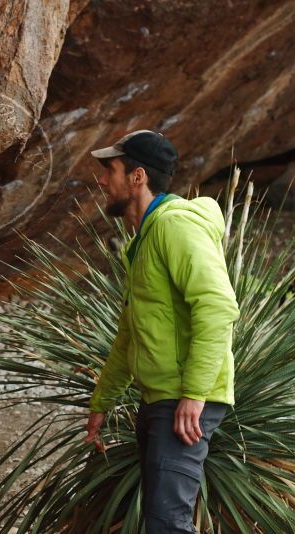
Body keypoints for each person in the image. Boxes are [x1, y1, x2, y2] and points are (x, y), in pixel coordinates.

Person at [83, 130, 240, 533]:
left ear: (137, 177)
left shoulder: (174, 228)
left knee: (167, 524)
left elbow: (218, 306)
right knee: (162, 519)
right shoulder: (145, 237)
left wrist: (194, 393)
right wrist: (103, 400)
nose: (102, 181)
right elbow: (129, 332)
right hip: (162, 397)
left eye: (111, 170)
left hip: (183, 400)